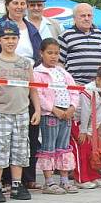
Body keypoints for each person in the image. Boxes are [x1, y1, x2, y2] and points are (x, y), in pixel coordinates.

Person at [0, 0, 44, 190]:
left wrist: (37, 108)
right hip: (2, 99)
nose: (20, 7)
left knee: (24, 141)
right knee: (0, 144)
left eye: (23, 3)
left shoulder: (31, 29)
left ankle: (22, 180)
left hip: (24, 87)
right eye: (16, 3)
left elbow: (34, 85)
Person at [33, 38, 79, 194]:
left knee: (64, 147)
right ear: (41, 53)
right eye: (49, 53)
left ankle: (64, 180)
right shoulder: (37, 73)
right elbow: (39, 95)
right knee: (49, 146)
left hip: (66, 114)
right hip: (51, 114)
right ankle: (49, 181)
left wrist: (72, 107)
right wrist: (53, 109)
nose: (53, 56)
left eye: (56, 53)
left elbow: (73, 90)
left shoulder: (62, 72)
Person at [75, 68, 101, 188]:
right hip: (77, 120)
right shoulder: (88, 90)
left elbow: (100, 114)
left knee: (92, 149)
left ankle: (93, 176)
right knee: (82, 149)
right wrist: (84, 131)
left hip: (90, 123)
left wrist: (92, 131)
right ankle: (81, 179)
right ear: (98, 80)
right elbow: (85, 111)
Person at [58, 3, 101, 86]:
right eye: (83, 16)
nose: (86, 18)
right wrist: (68, 82)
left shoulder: (100, 35)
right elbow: (59, 63)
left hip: (97, 87)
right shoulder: (65, 36)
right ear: (74, 18)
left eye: (89, 15)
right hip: (75, 85)